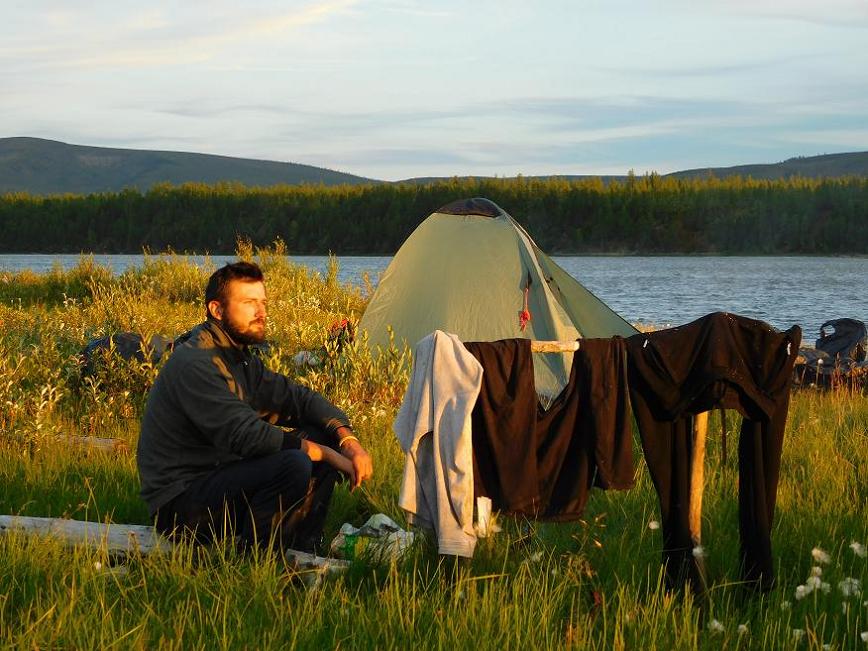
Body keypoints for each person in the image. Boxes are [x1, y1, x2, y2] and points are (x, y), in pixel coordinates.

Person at [137, 261, 373, 554]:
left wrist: (347, 441)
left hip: (220, 477)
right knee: (295, 461)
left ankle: (302, 548)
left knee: (322, 433)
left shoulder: (236, 356)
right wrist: (326, 454)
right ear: (217, 310)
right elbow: (247, 435)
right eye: (249, 303)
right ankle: (257, 558)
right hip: (181, 504)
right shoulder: (197, 362)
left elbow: (297, 398)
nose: (261, 312)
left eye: (263, 302)